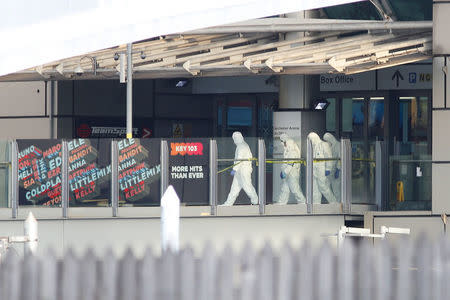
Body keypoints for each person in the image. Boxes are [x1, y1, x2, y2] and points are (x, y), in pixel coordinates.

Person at [221, 131, 258, 206]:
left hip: (244, 170)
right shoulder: (241, 145)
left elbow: (239, 159)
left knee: (247, 186)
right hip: (239, 171)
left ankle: (256, 202)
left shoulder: (242, 146)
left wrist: (234, 169)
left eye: (235, 138)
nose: (234, 140)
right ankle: (228, 203)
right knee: (234, 188)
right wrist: (235, 170)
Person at [307, 132, 337, 204]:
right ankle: (316, 204)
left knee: (323, 187)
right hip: (314, 170)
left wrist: (328, 169)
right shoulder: (312, 147)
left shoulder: (324, 144)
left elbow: (328, 157)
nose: (310, 141)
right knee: (315, 188)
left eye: (311, 139)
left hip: (322, 170)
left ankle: (334, 202)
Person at [276, 133, 306, 204]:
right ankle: (281, 204)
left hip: (292, 173)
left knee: (295, 189)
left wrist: (285, 172)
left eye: (282, 141)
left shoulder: (292, 151)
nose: (281, 143)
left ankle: (303, 203)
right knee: (285, 189)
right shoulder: (288, 150)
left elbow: (290, 164)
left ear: (285, 141)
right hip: (288, 174)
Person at [323, 133, 341, 202]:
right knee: (326, 188)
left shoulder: (338, 146)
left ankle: (338, 204)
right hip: (330, 171)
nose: (327, 142)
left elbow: (341, 158)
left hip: (336, 171)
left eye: (327, 140)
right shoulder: (329, 146)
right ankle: (333, 203)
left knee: (336, 189)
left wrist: (338, 169)